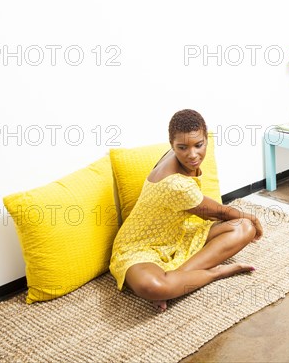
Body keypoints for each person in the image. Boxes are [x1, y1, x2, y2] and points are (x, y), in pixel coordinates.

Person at [109, 109, 263, 311]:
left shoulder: (177, 156)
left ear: (206, 139)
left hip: (178, 236)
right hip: (139, 248)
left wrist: (247, 221)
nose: (192, 155)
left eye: (198, 145)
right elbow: (220, 212)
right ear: (171, 145)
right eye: (182, 147)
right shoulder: (175, 183)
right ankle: (214, 273)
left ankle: (176, 283)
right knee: (151, 286)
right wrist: (252, 217)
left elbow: (220, 213)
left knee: (243, 227)